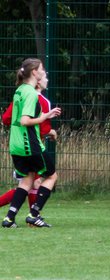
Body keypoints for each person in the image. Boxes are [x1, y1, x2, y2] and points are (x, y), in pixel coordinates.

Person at [4, 58, 61, 228]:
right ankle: (34, 214)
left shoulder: (19, 90)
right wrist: (44, 117)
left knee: (27, 180)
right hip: (29, 144)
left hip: (15, 145)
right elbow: (24, 121)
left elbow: (9, 118)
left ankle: (9, 218)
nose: (44, 73)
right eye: (42, 69)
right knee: (51, 176)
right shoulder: (30, 93)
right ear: (35, 73)